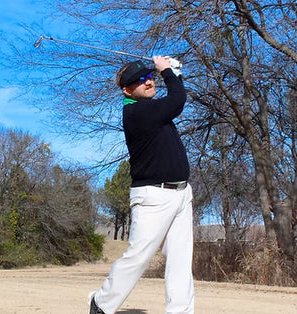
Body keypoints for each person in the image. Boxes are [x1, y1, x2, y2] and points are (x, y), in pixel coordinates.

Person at [88, 56, 194, 314]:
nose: (148, 82)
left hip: (182, 193)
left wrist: (175, 75)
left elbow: (174, 98)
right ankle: (101, 303)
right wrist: (168, 71)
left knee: (180, 260)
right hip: (153, 196)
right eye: (140, 81)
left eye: (149, 76)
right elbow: (177, 100)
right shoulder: (137, 113)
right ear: (127, 90)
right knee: (138, 256)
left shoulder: (152, 108)